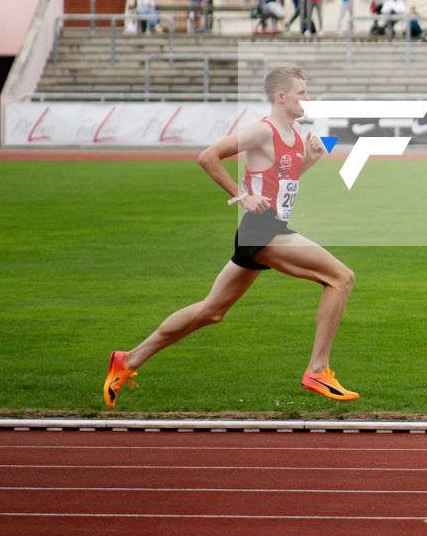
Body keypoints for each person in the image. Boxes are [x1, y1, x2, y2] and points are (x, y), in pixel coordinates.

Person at [103, 65, 358, 408]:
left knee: (211, 311)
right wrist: (243, 195)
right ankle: (318, 369)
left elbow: (283, 179)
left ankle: (127, 360)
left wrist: (309, 160)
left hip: (267, 230)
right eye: (302, 93)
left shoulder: (297, 136)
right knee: (341, 277)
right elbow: (207, 157)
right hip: (262, 231)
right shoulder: (260, 132)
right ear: (280, 97)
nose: (307, 99)